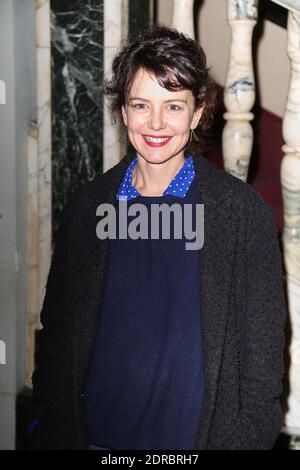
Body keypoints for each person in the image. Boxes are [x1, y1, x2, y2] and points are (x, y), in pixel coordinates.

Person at [29, 25, 286, 450]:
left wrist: (244, 439)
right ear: (124, 112)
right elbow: (58, 333)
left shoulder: (241, 215)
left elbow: (261, 357)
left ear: (198, 112)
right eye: (141, 105)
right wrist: (50, 426)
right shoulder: (88, 207)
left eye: (173, 106)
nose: (156, 123)